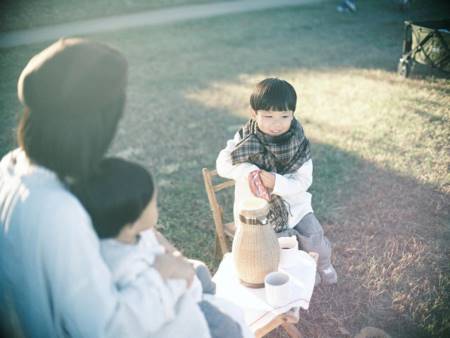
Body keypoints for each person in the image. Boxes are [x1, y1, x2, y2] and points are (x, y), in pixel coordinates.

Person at [0, 38, 248, 338]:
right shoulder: (59, 212)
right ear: (97, 123)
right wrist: (163, 273)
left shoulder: (13, 166)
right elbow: (105, 329)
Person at [70, 157, 249, 338]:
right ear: (132, 222)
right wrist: (176, 276)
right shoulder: (122, 265)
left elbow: (159, 243)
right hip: (176, 307)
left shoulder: (127, 231)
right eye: (154, 203)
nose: (157, 207)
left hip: (179, 279)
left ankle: (211, 298)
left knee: (202, 272)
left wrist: (178, 261)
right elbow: (142, 309)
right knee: (228, 326)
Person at [216, 78, 337, 285]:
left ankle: (323, 264)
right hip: (261, 210)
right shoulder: (245, 138)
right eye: (268, 116)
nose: (276, 123)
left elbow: (303, 180)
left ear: (292, 114)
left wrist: (276, 182)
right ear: (254, 113)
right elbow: (223, 164)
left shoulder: (297, 141)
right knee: (283, 247)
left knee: (314, 236)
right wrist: (251, 171)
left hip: (296, 204)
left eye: (284, 116)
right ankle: (300, 275)